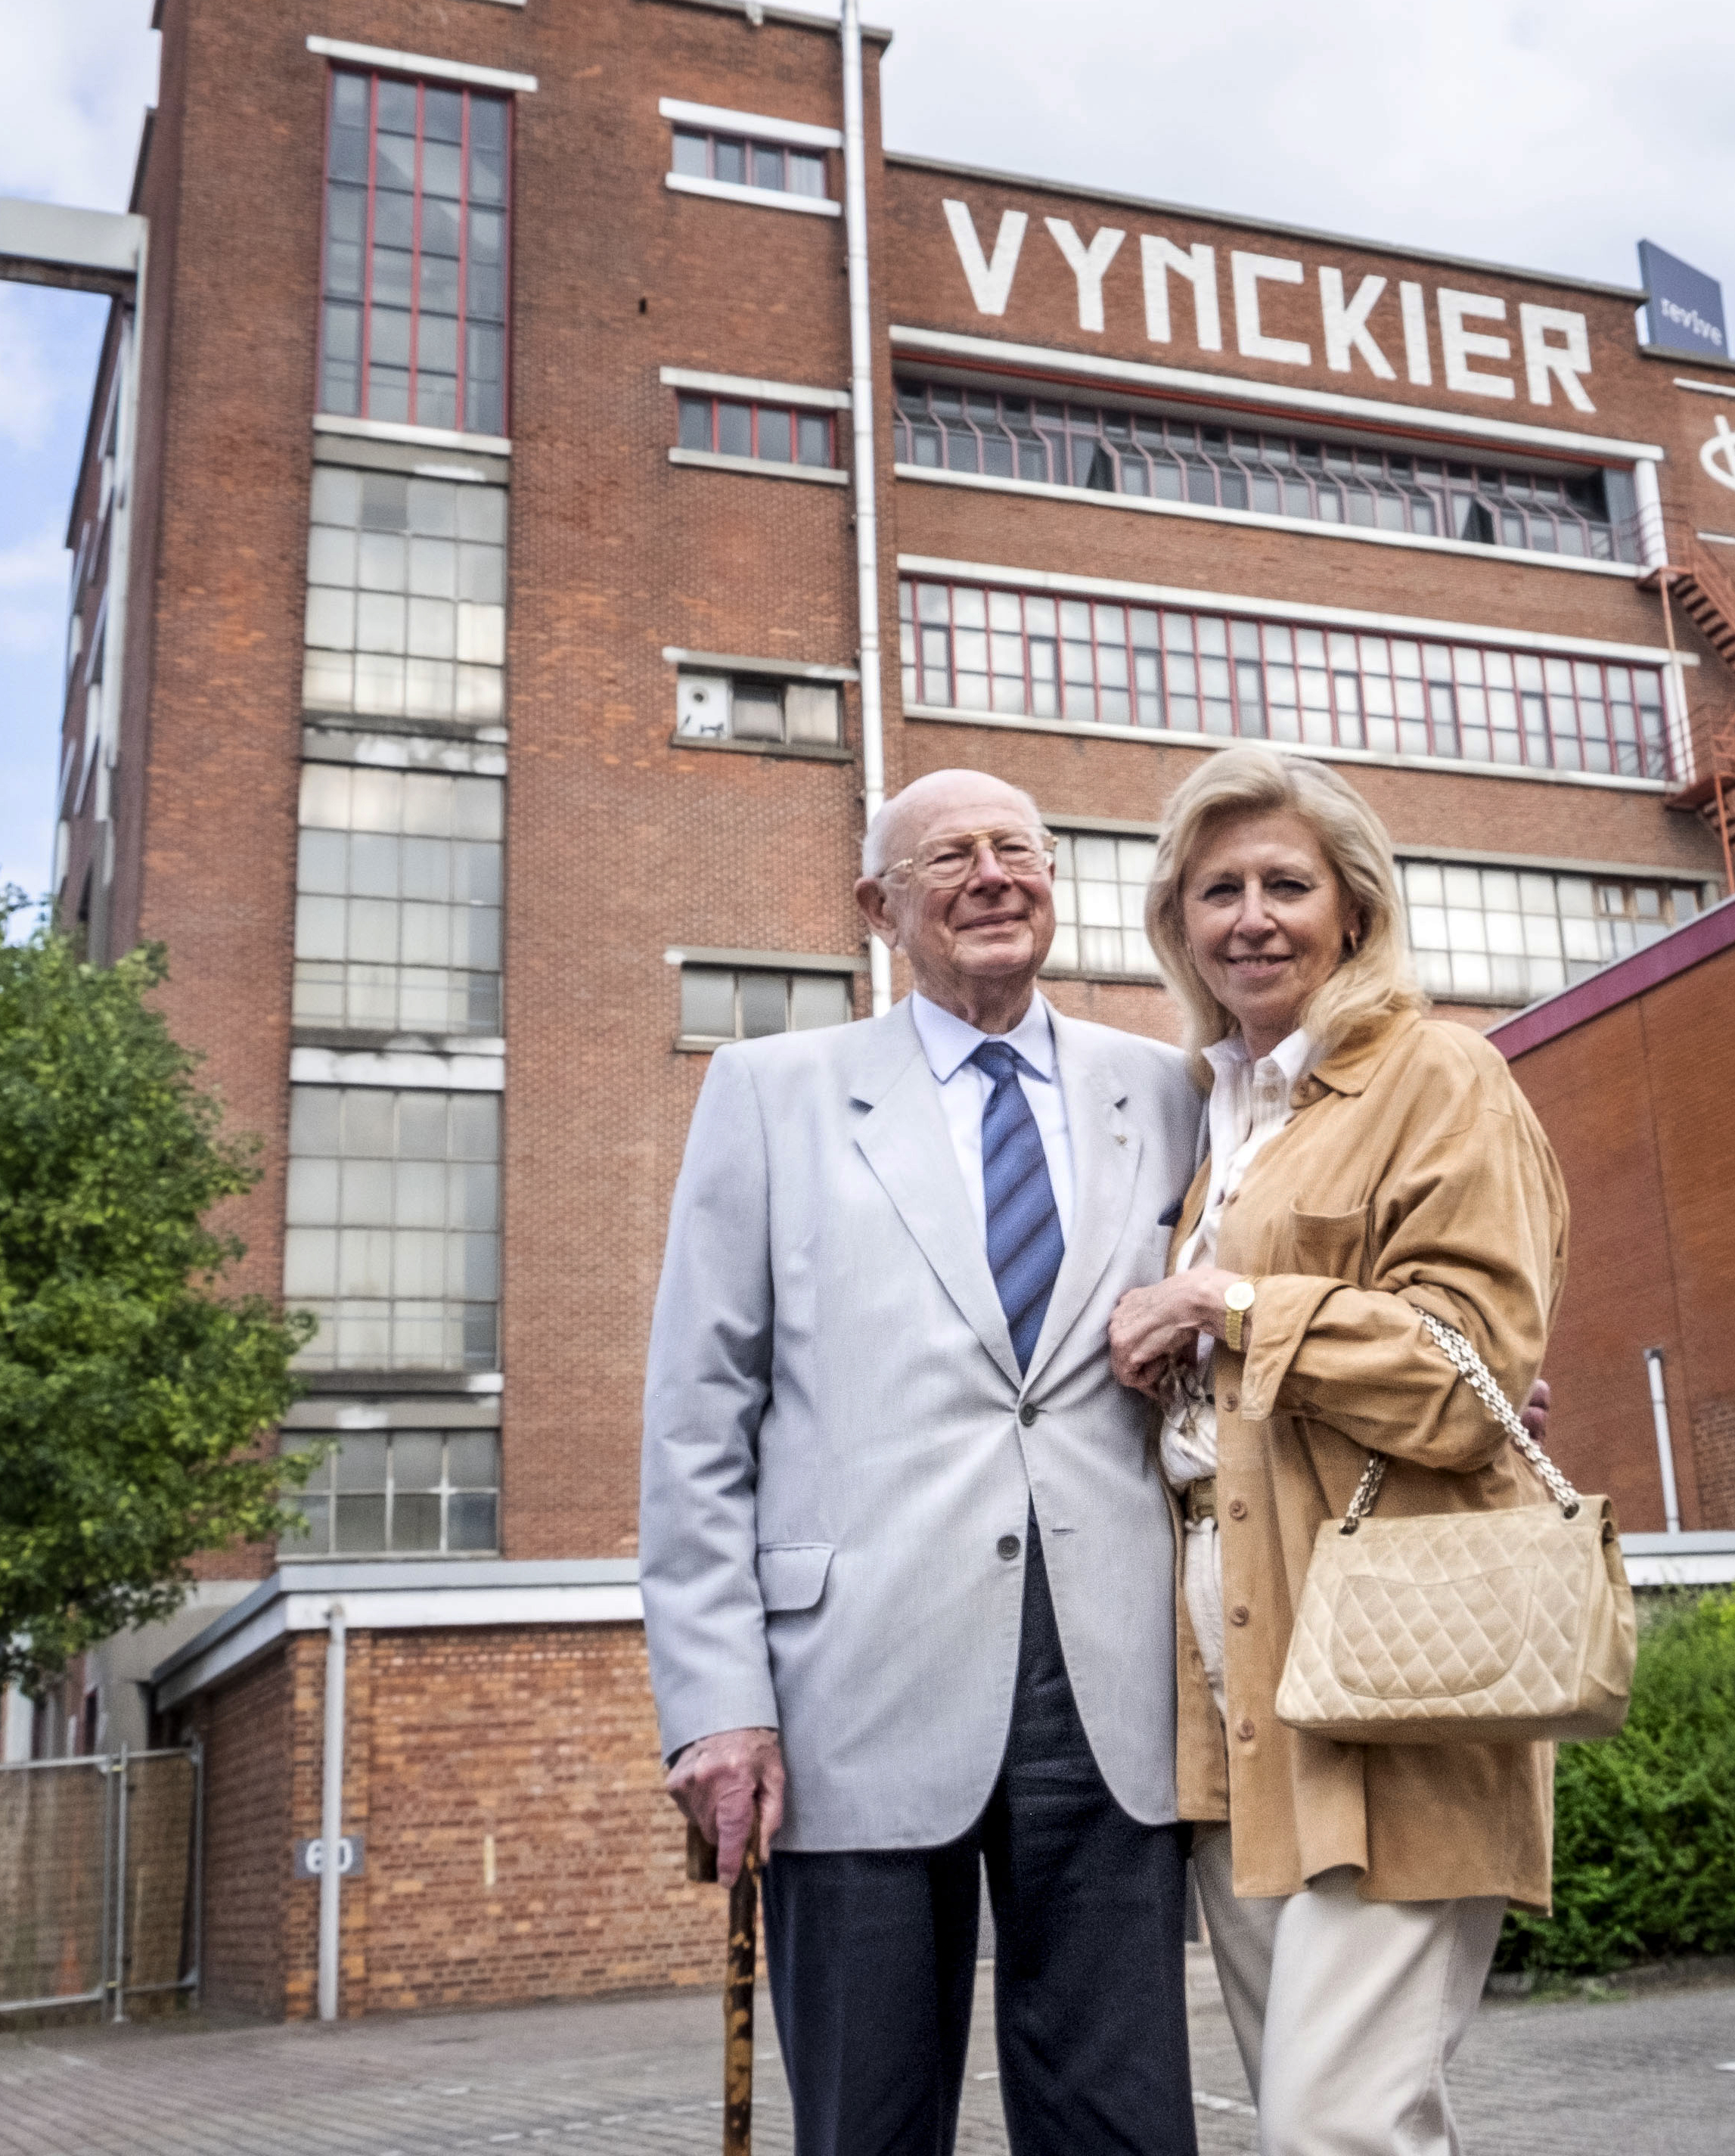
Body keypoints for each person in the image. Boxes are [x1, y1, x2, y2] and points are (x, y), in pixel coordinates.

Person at [643, 769, 1206, 2156]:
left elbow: (1272, 1290)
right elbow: (697, 1421)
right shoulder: (771, 1093)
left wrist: (1428, 1370)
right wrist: (717, 1702)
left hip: (1113, 1691)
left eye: (1020, 847)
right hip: (849, 1703)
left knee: (1122, 2124)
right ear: (876, 909)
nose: (993, 875)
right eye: (948, 856)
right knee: (869, 2123)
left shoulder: (1171, 1090)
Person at [1104, 747, 1572, 2156]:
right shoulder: (1220, 1117)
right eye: (1216, 889)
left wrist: (1223, 1302)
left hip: (1391, 1674)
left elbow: (1474, 1366)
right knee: (1321, 2118)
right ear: (1179, 924)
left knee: (1335, 2129)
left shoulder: (1439, 1073)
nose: (1250, 915)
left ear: (1354, 910)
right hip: (1228, 1683)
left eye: (1285, 885)